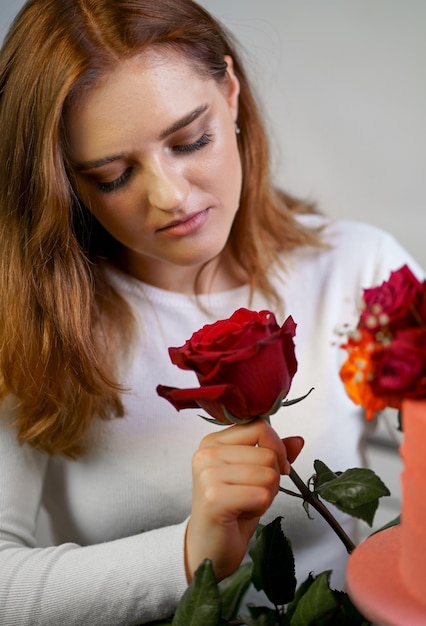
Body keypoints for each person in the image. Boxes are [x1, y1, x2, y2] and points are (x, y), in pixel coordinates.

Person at [0, 1, 422, 624]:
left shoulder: (360, 270)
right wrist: (188, 553)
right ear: (64, 180)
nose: (170, 197)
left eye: (190, 140)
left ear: (230, 92)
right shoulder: (26, 327)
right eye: (114, 176)